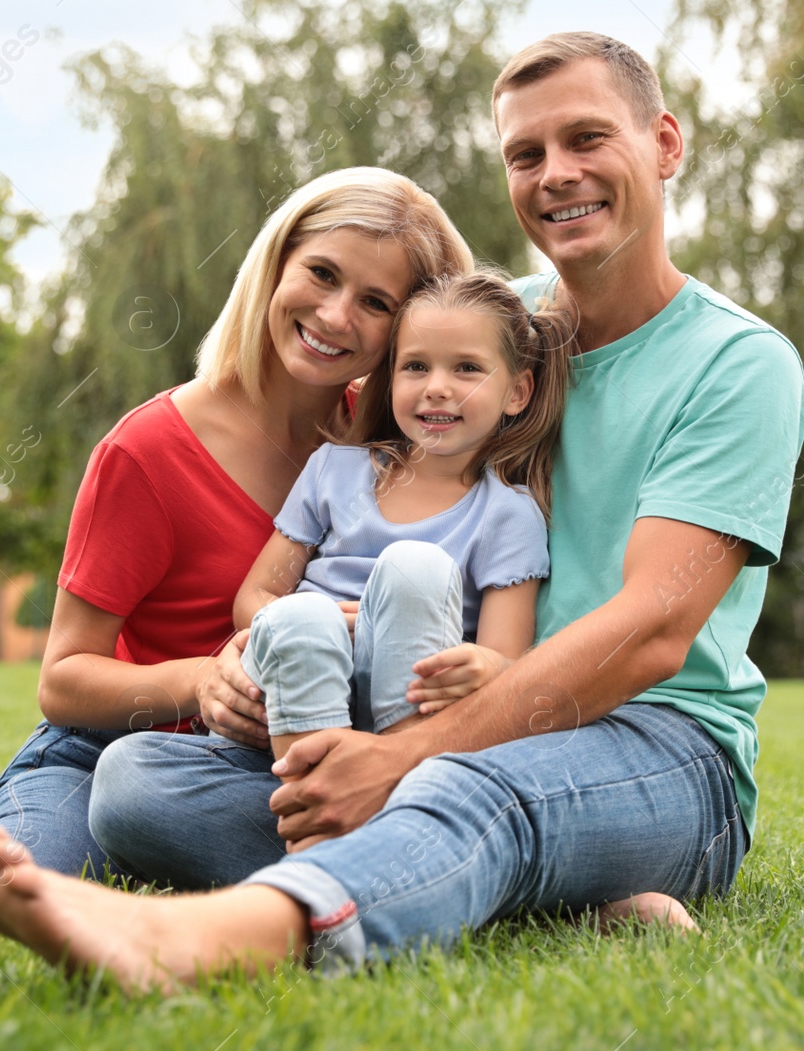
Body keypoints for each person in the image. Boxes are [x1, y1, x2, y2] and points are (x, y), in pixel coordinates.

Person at [0, 30, 804, 992]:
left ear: (666, 146)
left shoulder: (738, 365)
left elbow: (651, 632)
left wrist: (400, 757)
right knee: (139, 785)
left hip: (657, 748)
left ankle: (194, 941)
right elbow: (347, 446)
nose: (557, 175)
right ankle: (545, 896)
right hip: (448, 717)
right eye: (526, 154)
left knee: (457, 787)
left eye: (588, 139)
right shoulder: (476, 333)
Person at [0, 167, 474, 893]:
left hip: (265, 764)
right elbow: (63, 678)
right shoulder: (147, 451)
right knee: (16, 889)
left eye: (375, 302)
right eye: (322, 274)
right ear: (276, 265)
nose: (336, 315)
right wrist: (201, 680)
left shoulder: (400, 440)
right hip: (110, 749)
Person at [236, 272, 571, 763]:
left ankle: (386, 779)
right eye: (416, 366)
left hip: (417, 724)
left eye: (466, 369)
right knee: (129, 773)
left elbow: (507, 661)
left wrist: (485, 665)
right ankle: (310, 796)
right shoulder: (335, 470)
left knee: (415, 569)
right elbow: (255, 595)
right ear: (390, 378)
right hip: (296, 696)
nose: (436, 388)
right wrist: (317, 622)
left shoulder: (507, 514)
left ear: (517, 393)